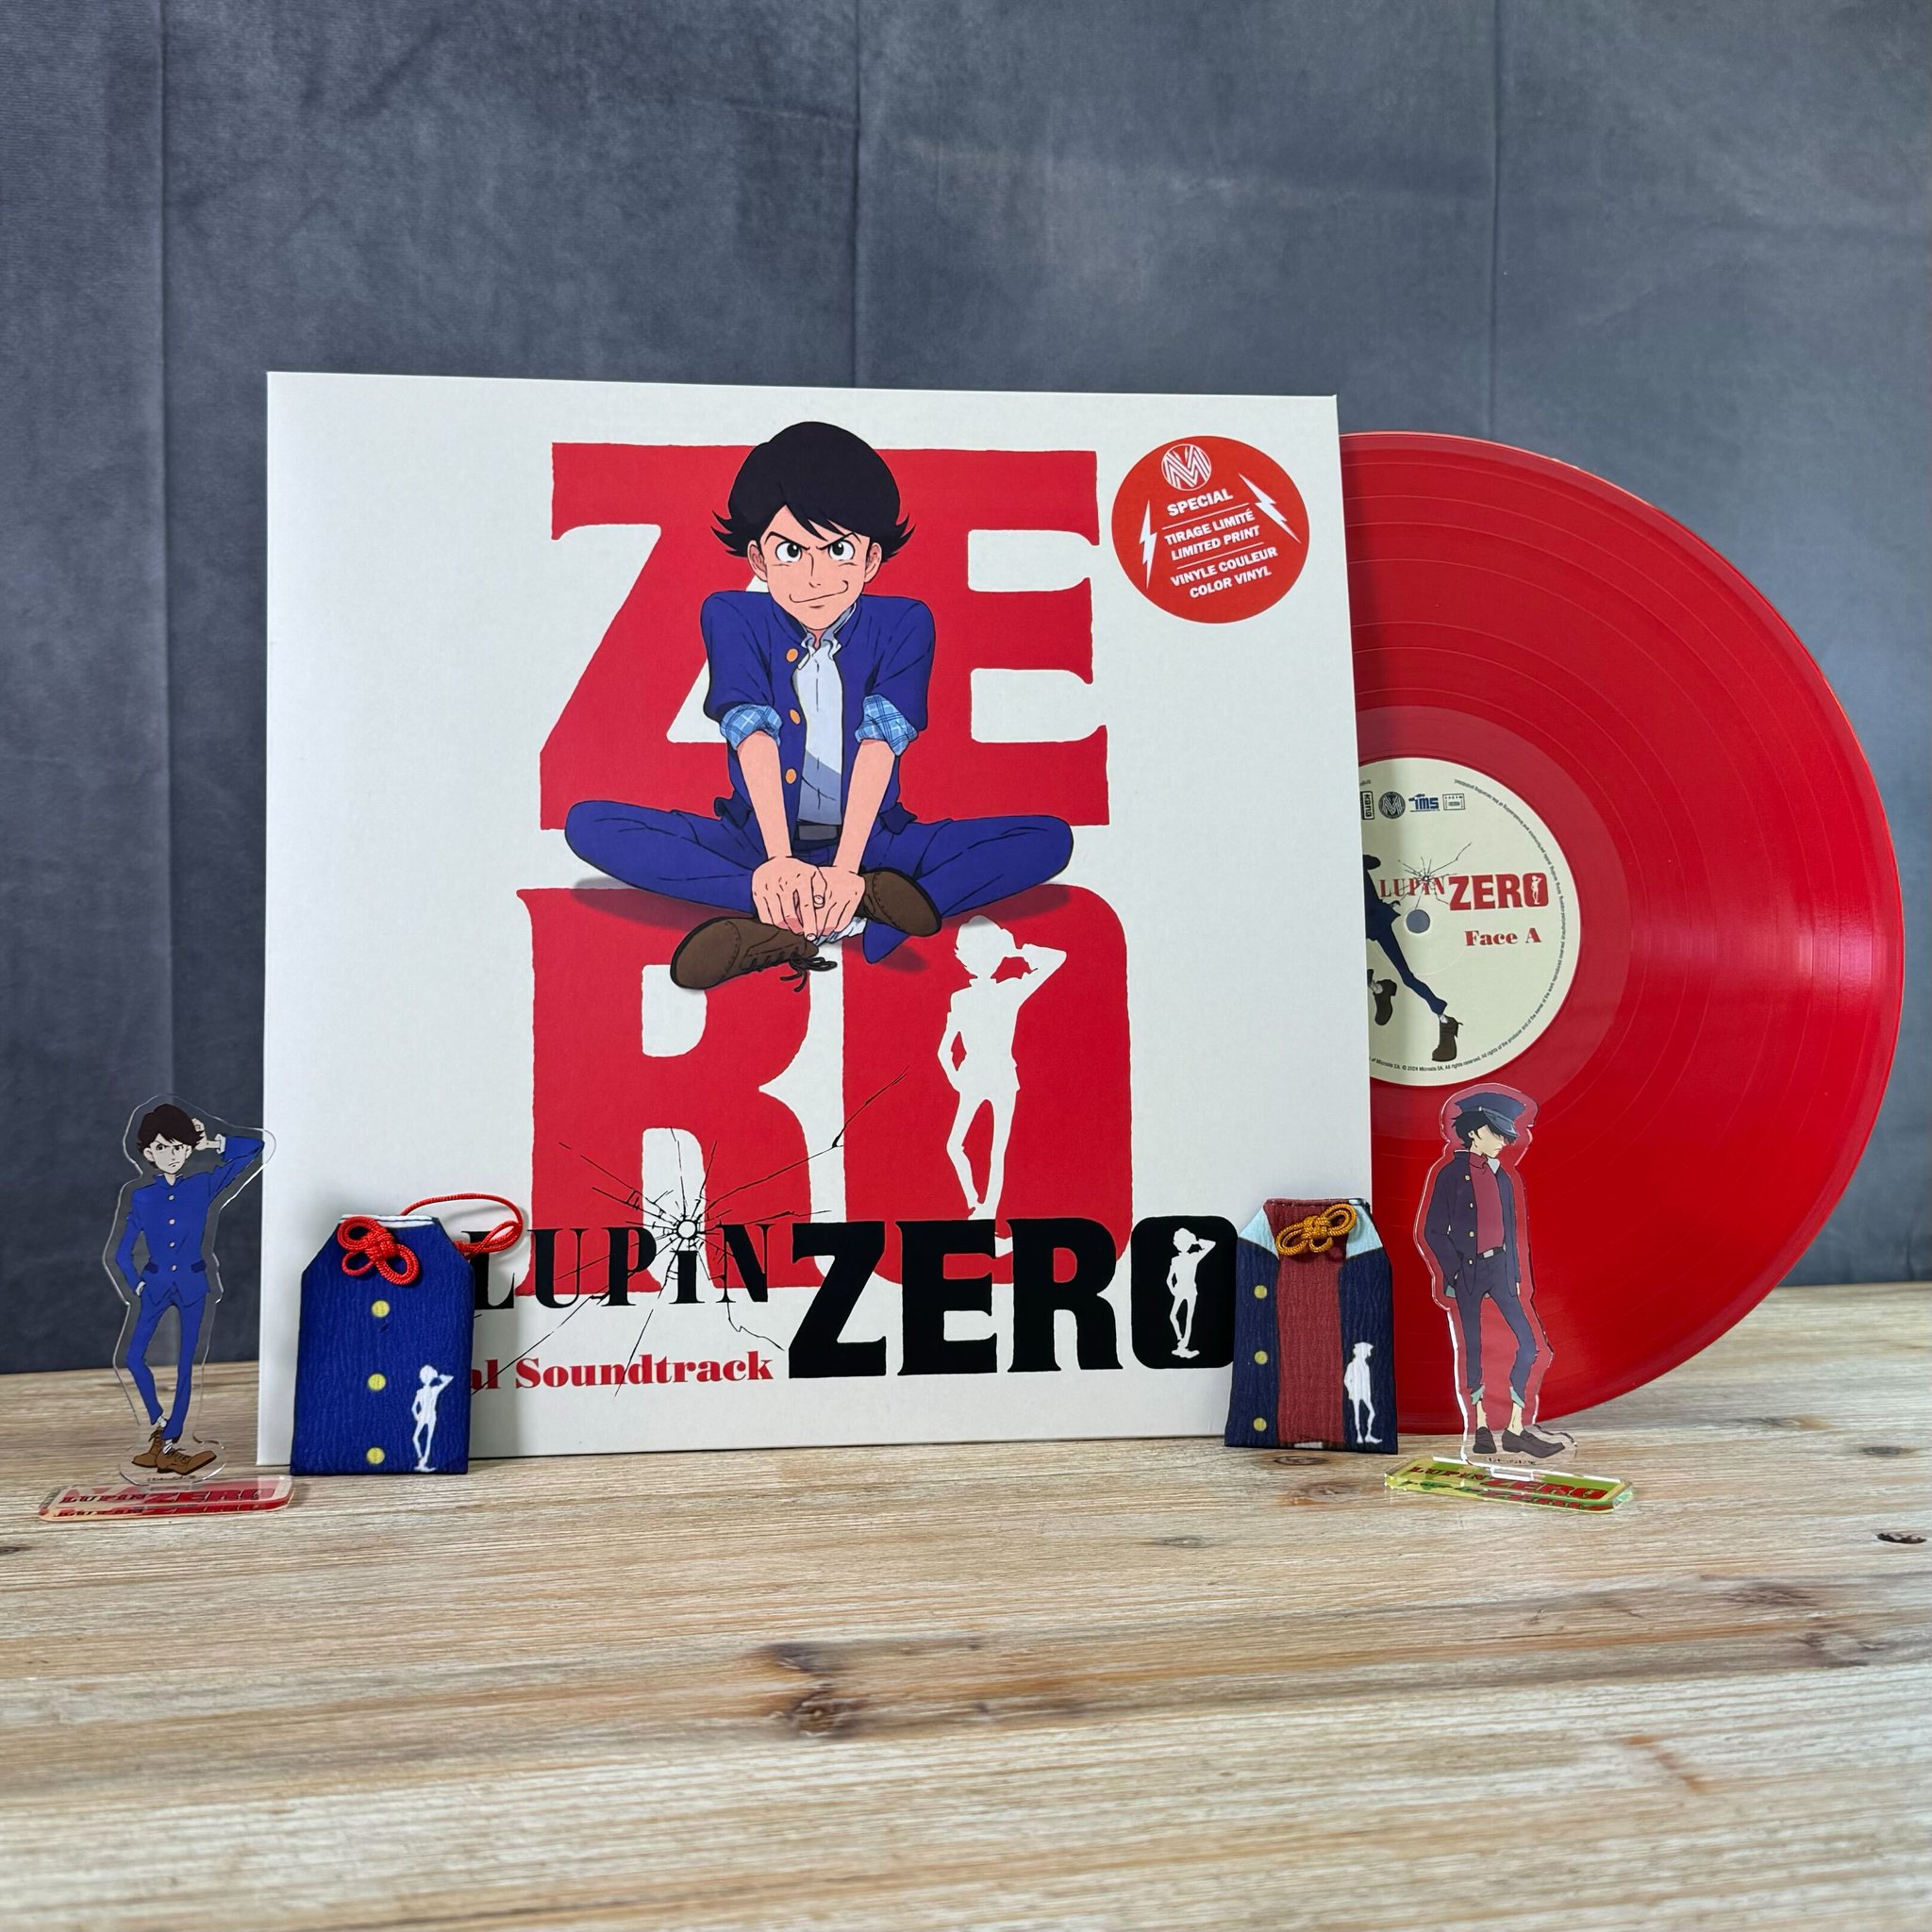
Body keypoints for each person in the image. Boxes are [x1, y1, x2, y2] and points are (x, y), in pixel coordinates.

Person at [566, 422, 1074, 991]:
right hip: (756, 840)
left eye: (838, 550)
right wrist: (778, 866)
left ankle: (857, 910)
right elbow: (753, 735)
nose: (815, 578)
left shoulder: (904, 623)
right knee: (590, 825)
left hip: (876, 842)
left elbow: (880, 744)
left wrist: (849, 871)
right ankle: (778, 905)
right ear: (759, 558)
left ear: (871, 558)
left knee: (1048, 839)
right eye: (791, 552)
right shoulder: (732, 616)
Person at [111, 1104, 264, 1475]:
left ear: (188, 1149)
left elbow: (254, 1149)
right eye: (162, 1147)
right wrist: (137, 1283)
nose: (172, 1154)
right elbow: (120, 1252)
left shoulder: (202, 1185)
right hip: (155, 1284)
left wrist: (210, 1142)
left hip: (194, 1284)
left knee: (186, 1366)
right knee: (132, 1357)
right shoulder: (142, 1196)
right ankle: (159, 1423)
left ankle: (169, 1443)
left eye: (178, 1147)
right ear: (149, 1153)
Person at [1420, 1090, 1566, 1458]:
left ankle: (1516, 1428)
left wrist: (1514, 1275)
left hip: (1500, 1269)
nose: (1503, 1141)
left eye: (1506, 1135)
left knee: (1530, 1345)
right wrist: (1454, 1272)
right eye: (1497, 1133)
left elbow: (1512, 1232)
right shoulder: (1450, 1175)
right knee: (1473, 1347)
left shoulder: (1502, 1179)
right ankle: (1481, 1425)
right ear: (1473, 1132)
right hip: (1468, 1271)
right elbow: (1433, 1230)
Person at [938, 919, 1065, 1222]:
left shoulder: (1009, 990)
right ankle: (975, 1204)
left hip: (999, 1077)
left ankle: (987, 1211)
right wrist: (956, 1080)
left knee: (994, 1149)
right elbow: (944, 1049)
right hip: (978, 1077)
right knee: (958, 1145)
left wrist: (1016, 950)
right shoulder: (963, 997)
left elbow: (1058, 958)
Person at [1364, 853, 1457, 1063]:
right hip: (1354, 922)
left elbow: (1374, 861)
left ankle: (1445, 1020)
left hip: (1376, 920)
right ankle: (1379, 988)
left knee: (1407, 977)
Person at [1166, 1227, 1215, 1359]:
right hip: (1180, 1290)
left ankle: (1184, 1345)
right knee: (1173, 1316)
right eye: (1179, 1242)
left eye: (1185, 1242)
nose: (1182, 1245)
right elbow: (1169, 1279)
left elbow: (1211, 1244)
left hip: (1191, 1291)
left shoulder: (1194, 1257)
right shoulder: (1175, 1260)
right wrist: (1173, 1290)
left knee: (1189, 1318)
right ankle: (1180, 1339)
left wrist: (1196, 1241)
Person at [412, 1364, 456, 1472]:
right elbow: (449, 1380)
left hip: (426, 1415)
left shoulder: (426, 1391)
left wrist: (416, 1416)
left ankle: (423, 1461)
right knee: (424, 1439)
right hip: (429, 1415)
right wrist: (439, 1377)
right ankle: (422, 1460)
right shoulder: (429, 1390)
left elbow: (413, 1408)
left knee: (423, 1438)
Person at [1342, 1340, 1380, 1444]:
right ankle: (1358, 1435)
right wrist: (1351, 1390)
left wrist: (1368, 1394)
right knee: (1357, 1414)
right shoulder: (1352, 1365)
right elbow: (1346, 1380)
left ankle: (1368, 1435)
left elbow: (1367, 1383)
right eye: (1367, 1352)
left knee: (1372, 1412)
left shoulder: (1366, 1366)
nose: (1369, 1354)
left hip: (1365, 1393)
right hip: (1356, 1393)